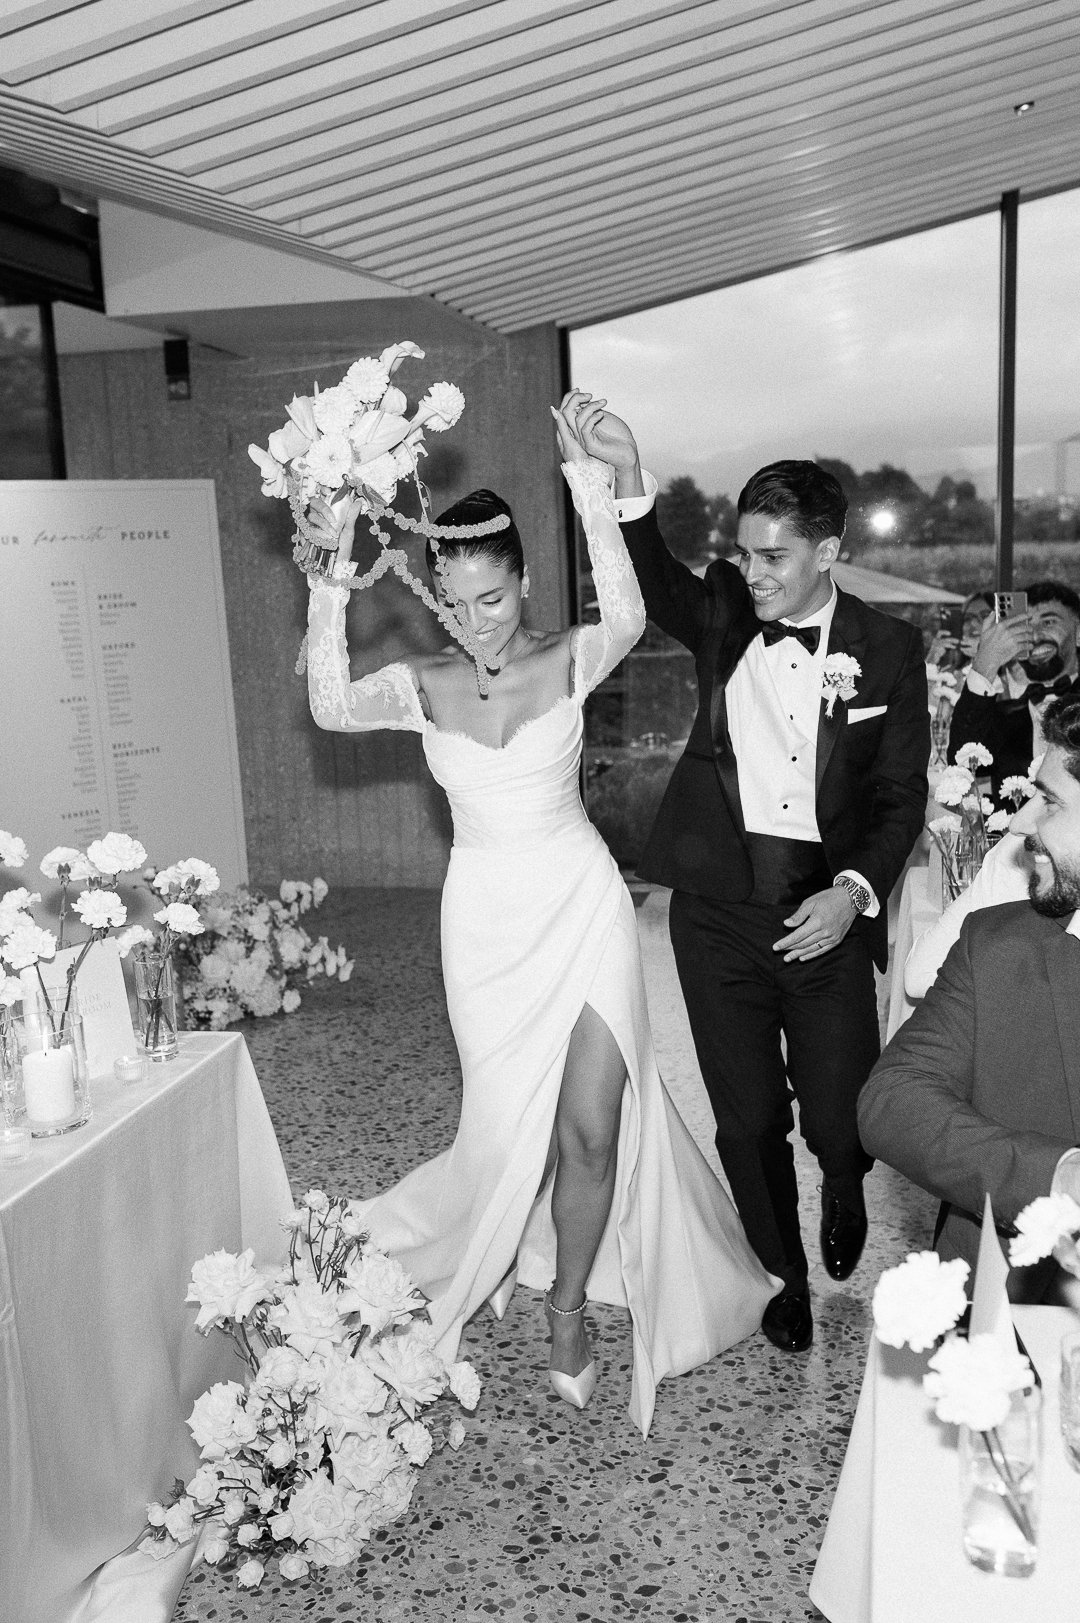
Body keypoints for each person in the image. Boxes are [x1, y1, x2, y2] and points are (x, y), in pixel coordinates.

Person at [300, 396, 779, 1436]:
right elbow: (329, 703)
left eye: (493, 597)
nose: (477, 622)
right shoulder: (423, 684)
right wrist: (328, 568)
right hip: (485, 924)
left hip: (582, 900)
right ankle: (470, 1242)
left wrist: (591, 483)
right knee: (502, 1132)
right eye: (457, 602)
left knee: (593, 1130)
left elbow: (632, 613)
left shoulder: (569, 656)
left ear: (522, 582)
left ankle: (567, 1310)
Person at [565, 393, 929, 1354]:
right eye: (746, 551)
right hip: (718, 910)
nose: (756, 572)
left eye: (775, 556)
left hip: (824, 910)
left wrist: (852, 895)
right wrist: (626, 474)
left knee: (841, 1111)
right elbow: (659, 581)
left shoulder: (891, 649)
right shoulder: (728, 608)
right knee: (746, 1118)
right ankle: (782, 1275)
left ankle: (843, 1178)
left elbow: (901, 797)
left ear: (828, 550)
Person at [860, 696, 1080, 1296]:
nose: (1021, 823)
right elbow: (891, 1099)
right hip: (1015, 1301)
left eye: (1050, 801)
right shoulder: (998, 945)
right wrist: (1055, 1177)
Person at [948, 580, 1080, 793]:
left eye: (1048, 622)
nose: (1034, 636)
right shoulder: (1003, 713)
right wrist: (985, 664)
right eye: (1024, 626)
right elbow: (960, 764)